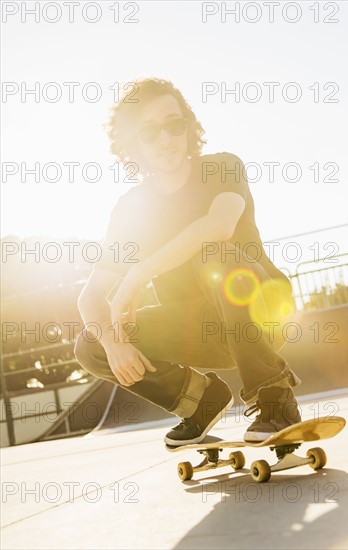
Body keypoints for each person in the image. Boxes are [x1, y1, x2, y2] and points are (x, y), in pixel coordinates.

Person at [74, 77, 302, 446]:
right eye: (150, 131)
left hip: (261, 316)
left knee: (215, 256)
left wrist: (138, 273)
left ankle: (275, 396)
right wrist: (114, 344)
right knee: (91, 343)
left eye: (174, 125)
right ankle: (199, 400)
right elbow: (91, 297)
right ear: (133, 142)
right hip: (200, 333)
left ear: (188, 127)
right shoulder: (133, 210)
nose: (165, 139)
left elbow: (219, 226)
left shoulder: (222, 168)